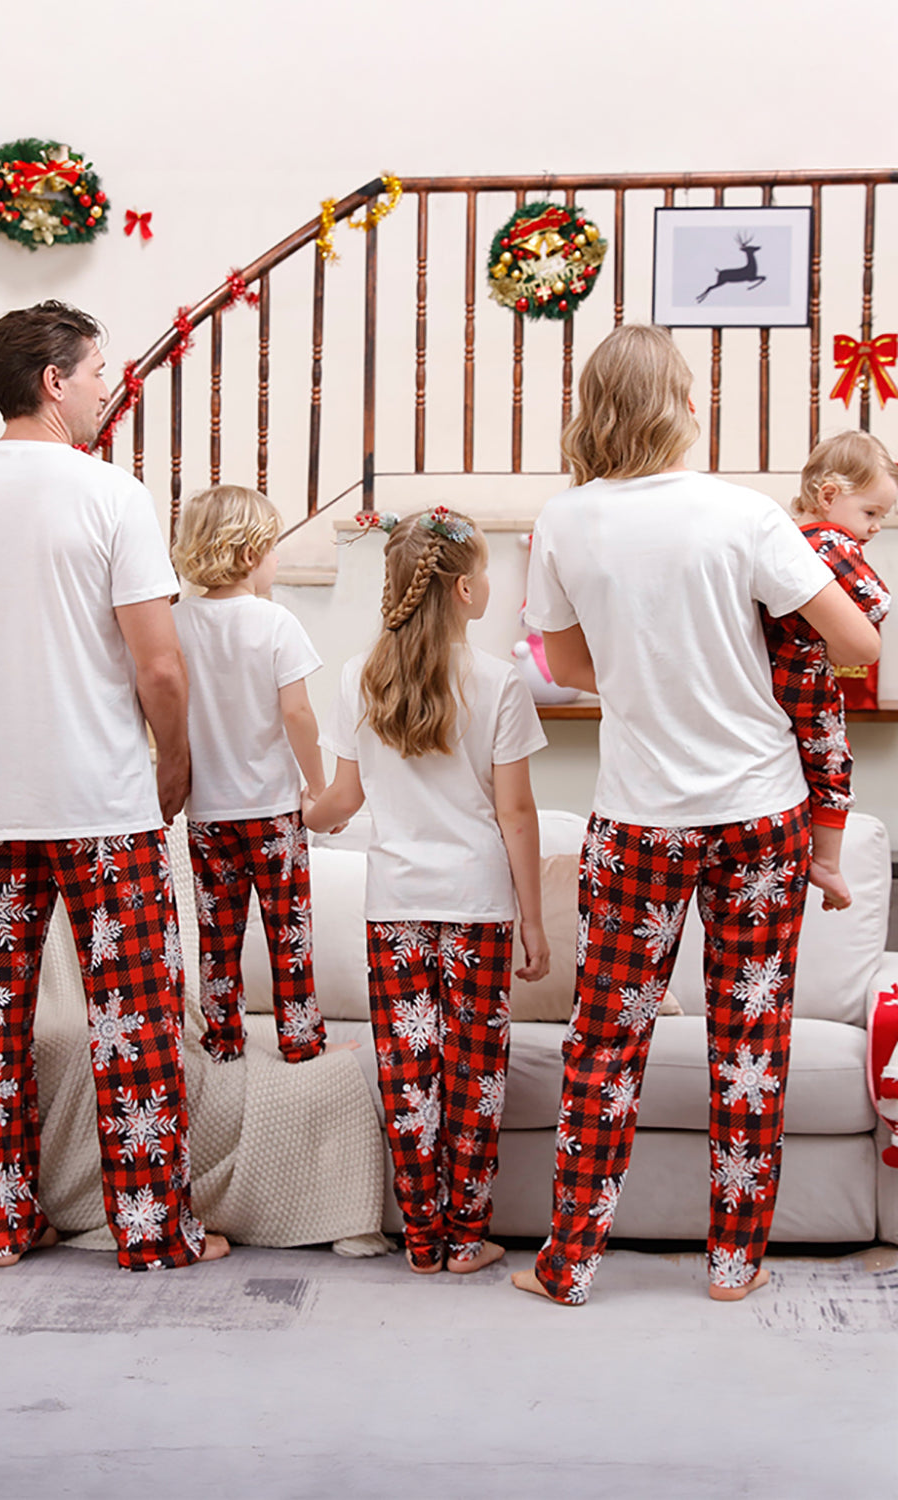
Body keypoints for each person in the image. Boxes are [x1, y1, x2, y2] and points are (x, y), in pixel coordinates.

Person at [512, 324, 881, 1306]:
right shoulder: (743, 516)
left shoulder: (563, 522)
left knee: (605, 1039)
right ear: (682, 403)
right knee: (748, 1034)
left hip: (636, 817)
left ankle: (569, 1263)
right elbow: (852, 645)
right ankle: (732, 1264)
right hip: (760, 812)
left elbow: (570, 667)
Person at [0, 301, 229, 1271]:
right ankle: (150, 1233)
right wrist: (173, 759)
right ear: (53, 379)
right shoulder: (109, 495)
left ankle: (2, 1228)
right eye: (96, 372)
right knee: (131, 1022)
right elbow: (160, 667)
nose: (104, 388)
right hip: (101, 808)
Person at [303, 507, 550, 1274]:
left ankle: (420, 1239)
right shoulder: (499, 683)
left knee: (410, 1074)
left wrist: (292, 818)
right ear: (467, 590)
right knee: (473, 1074)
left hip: (395, 909)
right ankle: (466, 1236)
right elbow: (515, 814)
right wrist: (534, 923)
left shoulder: (357, 679)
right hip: (476, 908)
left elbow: (341, 803)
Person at [171, 483, 350, 1064]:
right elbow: (297, 713)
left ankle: (223, 1041)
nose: (276, 560)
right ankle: (301, 1040)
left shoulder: (175, 624)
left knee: (217, 939)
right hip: (273, 814)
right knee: (288, 935)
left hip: (207, 816)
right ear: (249, 554)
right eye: (273, 547)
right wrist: (318, 785)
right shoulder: (275, 623)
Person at [762, 431, 895, 911]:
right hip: (806, 678)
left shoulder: (784, 537)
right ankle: (828, 863)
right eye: (871, 513)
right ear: (830, 496)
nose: (877, 527)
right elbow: (874, 602)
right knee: (831, 763)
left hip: (770, 678)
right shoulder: (829, 541)